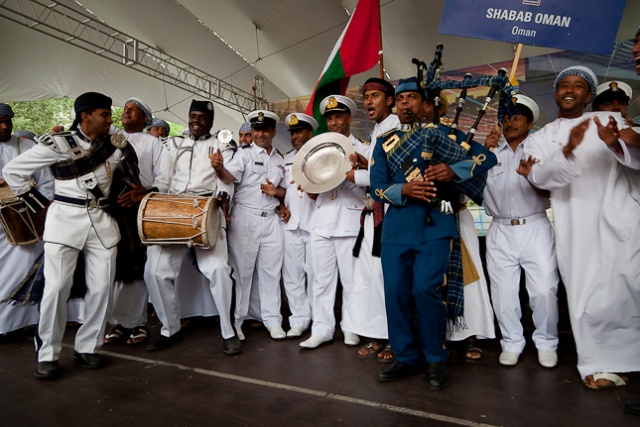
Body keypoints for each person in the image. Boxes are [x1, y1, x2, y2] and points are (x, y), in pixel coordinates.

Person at [369, 77, 495, 390]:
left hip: (436, 226)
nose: (405, 104)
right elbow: (377, 187)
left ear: (425, 104)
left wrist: (454, 170)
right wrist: (405, 189)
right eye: (400, 99)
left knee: (426, 291)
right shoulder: (385, 142)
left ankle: (436, 358)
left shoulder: (446, 135)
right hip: (396, 231)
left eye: (411, 98)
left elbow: (486, 158)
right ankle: (405, 357)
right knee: (396, 294)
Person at [3, 92, 140, 380]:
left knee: (101, 288)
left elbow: (127, 178)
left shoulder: (115, 147)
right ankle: (48, 353)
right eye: (104, 114)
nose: (110, 120)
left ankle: (88, 347)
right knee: (56, 289)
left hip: (101, 224)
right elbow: (13, 171)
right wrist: (39, 205)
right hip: (64, 221)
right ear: (85, 116)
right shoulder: (58, 144)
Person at [522, 66, 640, 389]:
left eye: (579, 86)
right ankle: (598, 363)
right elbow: (538, 178)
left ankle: (629, 360)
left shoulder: (610, 121)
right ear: (557, 93)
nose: (570, 90)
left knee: (625, 290)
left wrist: (617, 143)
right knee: (585, 295)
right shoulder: (540, 139)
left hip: (620, 217)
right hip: (575, 224)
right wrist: (569, 149)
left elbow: (637, 157)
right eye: (564, 85)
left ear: (590, 96)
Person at [143, 100, 241, 355]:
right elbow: (163, 179)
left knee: (219, 269)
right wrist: (154, 199)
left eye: (202, 117)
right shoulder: (173, 144)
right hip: (174, 209)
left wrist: (221, 184)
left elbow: (229, 180)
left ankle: (228, 331)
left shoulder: (223, 144)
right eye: (193, 116)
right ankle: (169, 328)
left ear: (211, 121)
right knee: (154, 270)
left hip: (206, 209)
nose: (196, 120)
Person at [483, 94, 559, 368]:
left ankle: (547, 342)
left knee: (544, 289)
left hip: (535, 225)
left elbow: (555, 190)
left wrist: (533, 177)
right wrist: (481, 155)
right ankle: (511, 342)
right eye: (505, 117)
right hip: (500, 229)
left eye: (516, 117)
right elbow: (470, 185)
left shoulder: (539, 151)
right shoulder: (489, 153)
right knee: (503, 292)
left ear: (529, 122)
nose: (510, 122)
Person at [299, 95, 369, 350]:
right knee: (321, 280)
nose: (334, 121)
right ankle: (322, 329)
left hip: (350, 221)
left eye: (338, 116)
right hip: (322, 220)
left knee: (351, 281)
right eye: (330, 118)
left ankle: (351, 327)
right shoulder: (318, 149)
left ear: (349, 118)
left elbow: (371, 182)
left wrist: (354, 173)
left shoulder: (361, 149)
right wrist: (308, 186)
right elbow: (313, 190)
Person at [212, 109, 287, 341]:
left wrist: (278, 194)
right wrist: (218, 167)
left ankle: (273, 320)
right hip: (246, 218)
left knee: (271, 273)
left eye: (265, 129)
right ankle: (237, 321)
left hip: (271, 219)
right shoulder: (243, 155)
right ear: (252, 131)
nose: (260, 133)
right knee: (242, 273)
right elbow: (228, 177)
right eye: (256, 129)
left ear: (274, 131)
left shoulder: (280, 159)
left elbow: (285, 191)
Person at [341, 78, 399, 362]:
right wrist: (367, 165)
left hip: (391, 214)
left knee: (386, 277)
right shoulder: (378, 131)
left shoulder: (397, 128)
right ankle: (376, 334)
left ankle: (393, 338)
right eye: (366, 97)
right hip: (372, 214)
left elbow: (392, 177)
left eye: (375, 96)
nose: (368, 102)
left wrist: (357, 176)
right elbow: (380, 168)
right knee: (367, 276)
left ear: (390, 100)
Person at [104, 97, 163, 346]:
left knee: (138, 267)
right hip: (113, 208)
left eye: (133, 110)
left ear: (145, 119)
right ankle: (118, 323)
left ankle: (137, 323)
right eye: (125, 109)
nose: (126, 112)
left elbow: (163, 176)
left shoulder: (153, 142)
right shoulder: (113, 137)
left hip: (139, 207)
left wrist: (145, 192)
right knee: (115, 266)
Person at [0, 104, 54, 340]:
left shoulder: (28, 147)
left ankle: (15, 323)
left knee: (21, 270)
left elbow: (46, 183)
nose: (5, 126)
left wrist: (31, 208)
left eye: (8, 121)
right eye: (0, 121)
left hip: (23, 220)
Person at [280, 113, 317, 338]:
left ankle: (317, 318)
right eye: (293, 133)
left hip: (315, 224)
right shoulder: (284, 159)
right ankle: (299, 320)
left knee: (315, 275)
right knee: (292, 276)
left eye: (300, 131)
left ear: (310, 133)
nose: (295, 136)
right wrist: (279, 205)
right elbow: (281, 189)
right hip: (292, 223)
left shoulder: (320, 156)